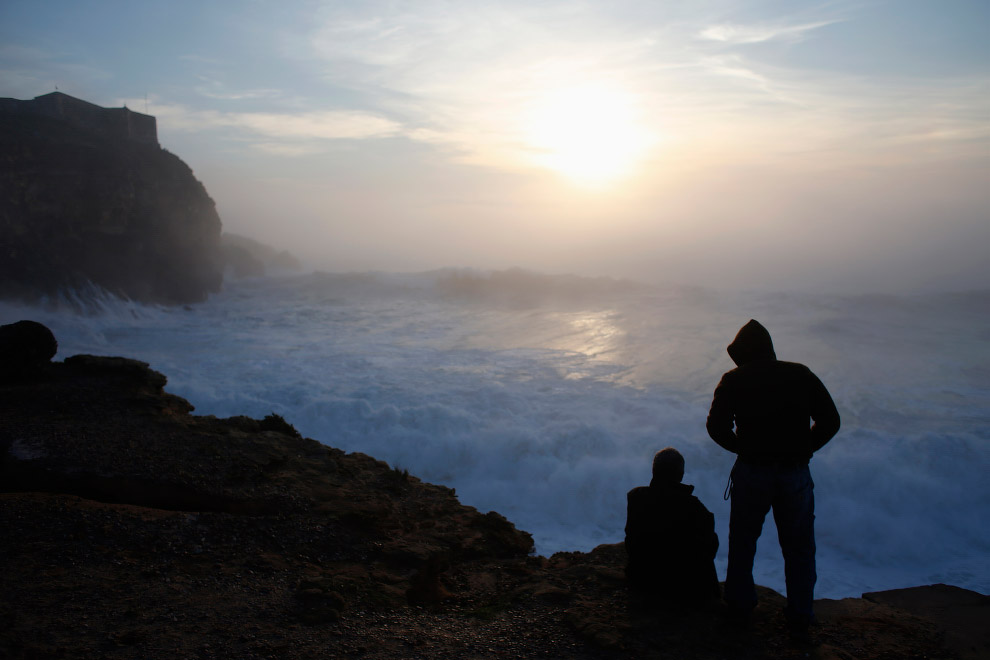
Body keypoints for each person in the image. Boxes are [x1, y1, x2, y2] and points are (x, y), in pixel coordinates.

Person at [706, 319, 840, 636]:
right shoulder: (801, 374)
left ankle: (739, 606)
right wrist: (805, 448)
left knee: (743, 541)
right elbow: (830, 421)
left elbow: (716, 428)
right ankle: (800, 614)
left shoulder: (734, 379)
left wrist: (742, 447)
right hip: (795, 473)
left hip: (753, 470)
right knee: (799, 547)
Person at [624, 447, 720, 605]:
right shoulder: (694, 507)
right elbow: (709, 549)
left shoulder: (636, 496)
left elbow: (631, 537)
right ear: (680, 475)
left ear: (653, 471)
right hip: (681, 586)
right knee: (709, 540)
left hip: (642, 576)